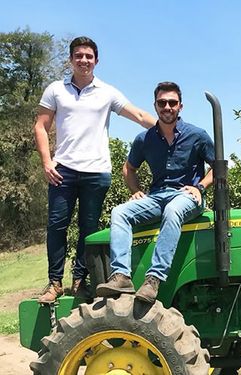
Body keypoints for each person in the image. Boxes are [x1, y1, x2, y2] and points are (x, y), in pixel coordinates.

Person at [33, 36, 156, 303]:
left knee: (88, 229)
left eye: (89, 56)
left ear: (96, 61)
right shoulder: (56, 89)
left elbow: (137, 115)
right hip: (62, 170)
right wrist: (46, 161)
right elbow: (41, 126)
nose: (84, 60)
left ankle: (79, 281)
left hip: (96, 172)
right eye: (79, 55)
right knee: (57, 226)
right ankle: (54, 283)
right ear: (71, 59)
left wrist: (172, 127)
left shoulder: (107, 92)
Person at [96, 82, 215, 303]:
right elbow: (129, 168)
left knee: (172, 210)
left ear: (181, 106)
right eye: (162, 103)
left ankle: (154, 279)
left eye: (172, 102)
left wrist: (200, 187)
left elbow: (219, 167)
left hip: (187, 196)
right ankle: (121, 275)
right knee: (120, 212)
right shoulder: (145, 139)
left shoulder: (197, 135)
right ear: (155, 106)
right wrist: (136, 190)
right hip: (156, 196)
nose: (167, 107)